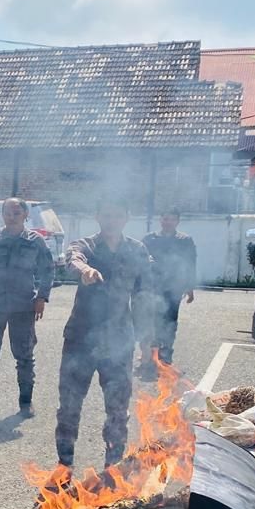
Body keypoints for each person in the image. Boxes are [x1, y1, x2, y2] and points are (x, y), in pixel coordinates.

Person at [54, 197, 152, 471]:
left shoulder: (137, 250)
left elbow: (143, 297)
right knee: (69, 407)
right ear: (97, 216)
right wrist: (85, 270)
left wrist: (146, 343)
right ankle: (64, 465)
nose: (111, 221)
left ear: (126, 218)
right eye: (106, 215)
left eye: (117, 215)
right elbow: (73, 258)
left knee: (118, 411)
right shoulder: (86, 245)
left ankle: (113, 468)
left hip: (119, 341)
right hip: (81, 340)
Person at [0, 197, 54, 424]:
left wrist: (42, 296)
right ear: (2, 215)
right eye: (7, 212)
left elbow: (47, 270)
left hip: (23, 306)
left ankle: (26, 402)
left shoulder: (36, 241)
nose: (11, 216)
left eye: (16, 212)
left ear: (26, 215)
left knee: (25, 357)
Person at [138, 208, 196, 379]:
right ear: (160, 220)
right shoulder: (149, 239)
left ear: (177, 221)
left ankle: (166, 356)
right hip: (152, 288)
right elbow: (139, 261)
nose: (167, 222)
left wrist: (190, 287)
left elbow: (191, 264)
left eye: (171, 219)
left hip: (174, 288)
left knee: (170, 322)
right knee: (151, 321)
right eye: (164, 218)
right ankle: (149, 356)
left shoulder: (185, 241)